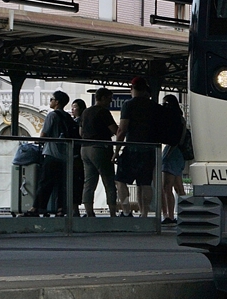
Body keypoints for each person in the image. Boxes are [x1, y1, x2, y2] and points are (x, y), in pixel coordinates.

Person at [114, 77, 162, 220]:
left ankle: (127, 210)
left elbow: (122, 130)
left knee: (120, 180)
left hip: (132, 148)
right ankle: (145, 214)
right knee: (145, 183)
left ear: (132, 89)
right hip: (149, 149)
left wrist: (116, 151)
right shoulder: (154, 106)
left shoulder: (128, 105)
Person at [32, 90, 77, 216]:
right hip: (65, 156)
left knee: (45, 182)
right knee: (62, 185)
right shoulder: (67, 117)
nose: (50, 101)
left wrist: (37, 140)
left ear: (57, 102)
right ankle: (60, 209)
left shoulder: (52, 115)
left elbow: (44, 134)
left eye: (52, 99)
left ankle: (37, 208)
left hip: (52, 154)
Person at [78, 88, 119, 218]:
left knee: (89, 182)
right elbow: (114, 129)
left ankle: (89, 212)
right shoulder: (103, 112)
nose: (111, 100)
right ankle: (113, 213)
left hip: (84, 148)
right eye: (109, 98)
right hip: (100, 148)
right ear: (101, 98)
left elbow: (80, 132)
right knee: (109, 181)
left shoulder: (85, 112)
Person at [157, 94, 187, 223]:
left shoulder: (172, 120)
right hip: (179, 154)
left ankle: (168, 215)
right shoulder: (181, 119)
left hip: (171, 152)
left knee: (166, 186)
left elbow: (173, 139)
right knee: (178, 187)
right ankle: (185, 212)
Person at [69, 98, 87, 215]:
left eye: (75, 107)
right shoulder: (80, 121)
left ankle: (75, 209)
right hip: (80, 154)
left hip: (77, 155)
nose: (72, 109)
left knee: (76, 182)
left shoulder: (77, 122)